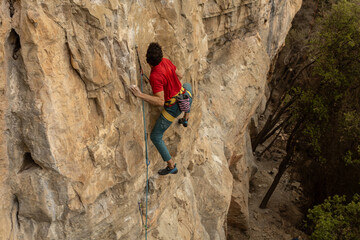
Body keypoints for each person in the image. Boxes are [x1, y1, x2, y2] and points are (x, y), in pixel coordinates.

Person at [129, 42, 193, 175]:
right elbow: (180, 75)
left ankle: (171, 166)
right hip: (184, 94)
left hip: (173, 108)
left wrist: (140, 95)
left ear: (148, 60)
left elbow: (160, 101)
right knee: (187, 85)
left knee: (155, 136)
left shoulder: (155, 76)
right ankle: (185, 118)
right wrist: (170, 81)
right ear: (160, 55)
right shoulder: (166, 61)